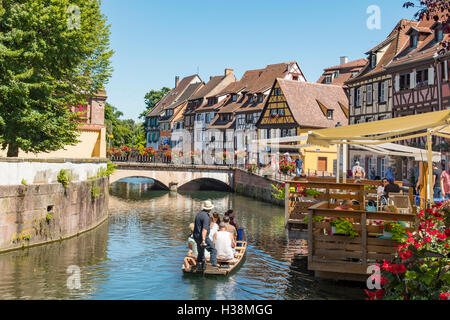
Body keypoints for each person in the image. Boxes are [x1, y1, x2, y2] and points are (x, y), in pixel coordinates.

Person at [193, 200, 217, 269]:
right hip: (202, 237)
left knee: (200, 252)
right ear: (210, 209)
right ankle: (213, 267)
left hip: (196, 236)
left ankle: (199, 265)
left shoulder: (199, 214)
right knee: (213, 250)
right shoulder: (206, 217)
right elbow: (204, 229)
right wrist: (203, 240)